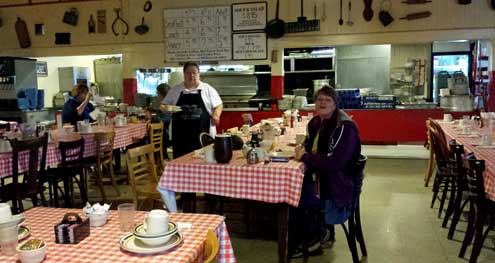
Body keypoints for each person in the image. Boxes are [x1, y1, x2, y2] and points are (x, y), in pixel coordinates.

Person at [289, 85, 362, 258]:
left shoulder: (344, 127)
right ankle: (321, 232)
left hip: (338, 185)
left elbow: (336, 162)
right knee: (295, 187)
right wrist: (303, 150)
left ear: (335, 104)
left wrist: (305, 157)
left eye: (327, 100)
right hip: (325, 177)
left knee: (294, 196)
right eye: (319, 99)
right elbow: (310, 146)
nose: (322, 103)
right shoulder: (316, 122)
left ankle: (312, 240)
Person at [163, 61, 223, 158]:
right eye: (188, 73)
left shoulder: (207, 89)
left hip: (202, 135)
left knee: (205, 161)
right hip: (180, 136)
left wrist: (216, 115)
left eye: (194, 73)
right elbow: (164, 105)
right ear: (184, 74)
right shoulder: (175, 90)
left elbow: (219, 104)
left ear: (198, 74)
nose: (191, 75)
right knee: (181, 162)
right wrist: (166, 108)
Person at [156, 83, 172, 160]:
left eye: (157, 93)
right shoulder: (169, 102)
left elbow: (165, 118)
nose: (157, 95)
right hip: (167, 133)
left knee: (144, 139)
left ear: (161, 94)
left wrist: (152, 117)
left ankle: (158, 159)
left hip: (165, 136)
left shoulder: (166, 104)